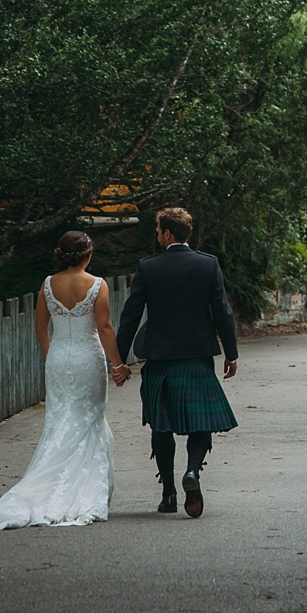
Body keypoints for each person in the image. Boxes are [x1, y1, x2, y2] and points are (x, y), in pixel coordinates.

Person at [0, 231, 129, 530]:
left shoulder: (47, 284)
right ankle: (84, 491)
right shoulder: (97, 285)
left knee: (59, 420)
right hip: (87, 359)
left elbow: (41, 327)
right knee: (89, 419)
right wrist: (118, 364)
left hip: (57, 358)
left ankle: (49, 481)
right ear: (87, 255)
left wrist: (50, 357)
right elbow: (104, 328)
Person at [116, 207, 238, 518]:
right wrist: (231, 353)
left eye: (158, 232)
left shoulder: (148, 267)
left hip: (159, 359)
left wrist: (118, 360)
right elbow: (222, 311)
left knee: (161, 423)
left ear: (168, 233)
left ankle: (169, 493)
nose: (157, 236)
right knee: (201, 421)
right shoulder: (208, 264)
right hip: (197, 357)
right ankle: (193, 472)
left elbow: (130, 317)